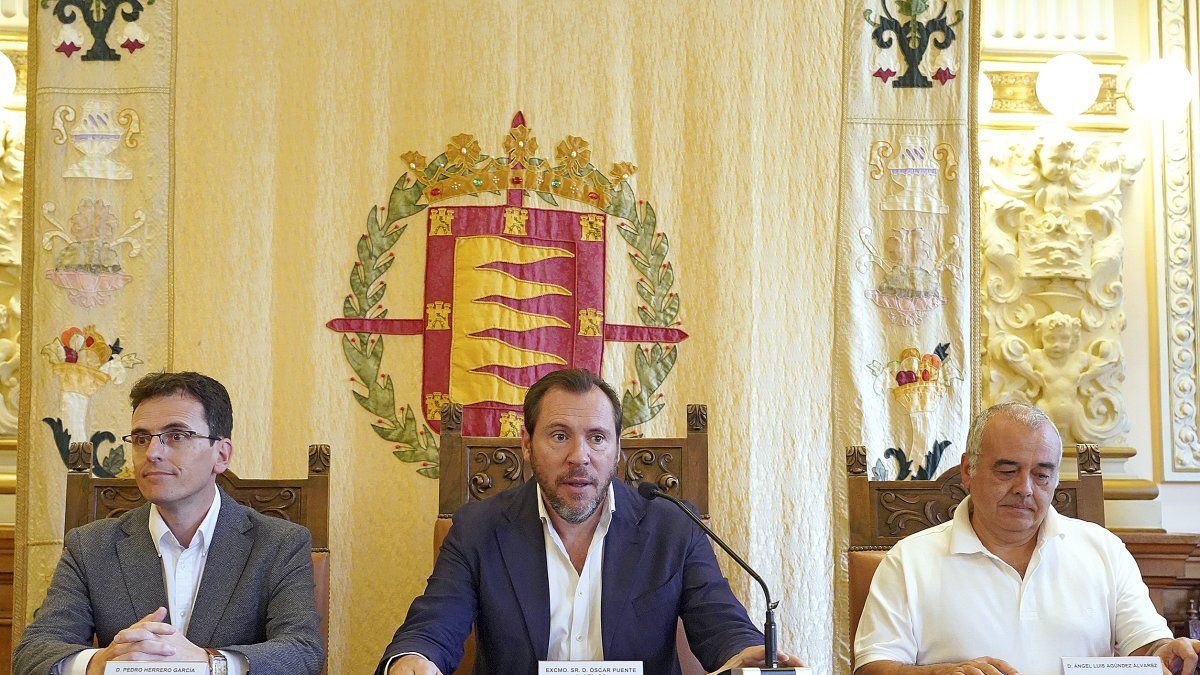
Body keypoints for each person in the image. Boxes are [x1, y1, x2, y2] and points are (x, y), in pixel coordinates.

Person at [377, 368, 804, 675]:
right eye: (559, 435)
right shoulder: (478, 528)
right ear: (526, 444)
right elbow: (434, 623)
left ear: (617, 450)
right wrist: (414, 659)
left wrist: (746, 654)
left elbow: (721, 622)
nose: (579, 456)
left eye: (597, 438)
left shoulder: (673, 526)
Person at [854, 401, 1200, 675]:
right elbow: (872, 667)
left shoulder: (1103, 549)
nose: (1025, 488)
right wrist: (940, 673)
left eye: (1042, 475)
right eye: (1007, 471)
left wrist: (1164, 651)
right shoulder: (909, 560)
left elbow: (1147, 647)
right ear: (968, 471)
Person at [15, 371, 324, 675]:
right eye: (141, 438)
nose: (152, 453)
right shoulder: (90, 546)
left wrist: (209, 663)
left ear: (221, 454)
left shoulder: (279, 542)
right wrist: (101, 662)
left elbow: (302, 650)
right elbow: (33, 652)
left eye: (177, 436)